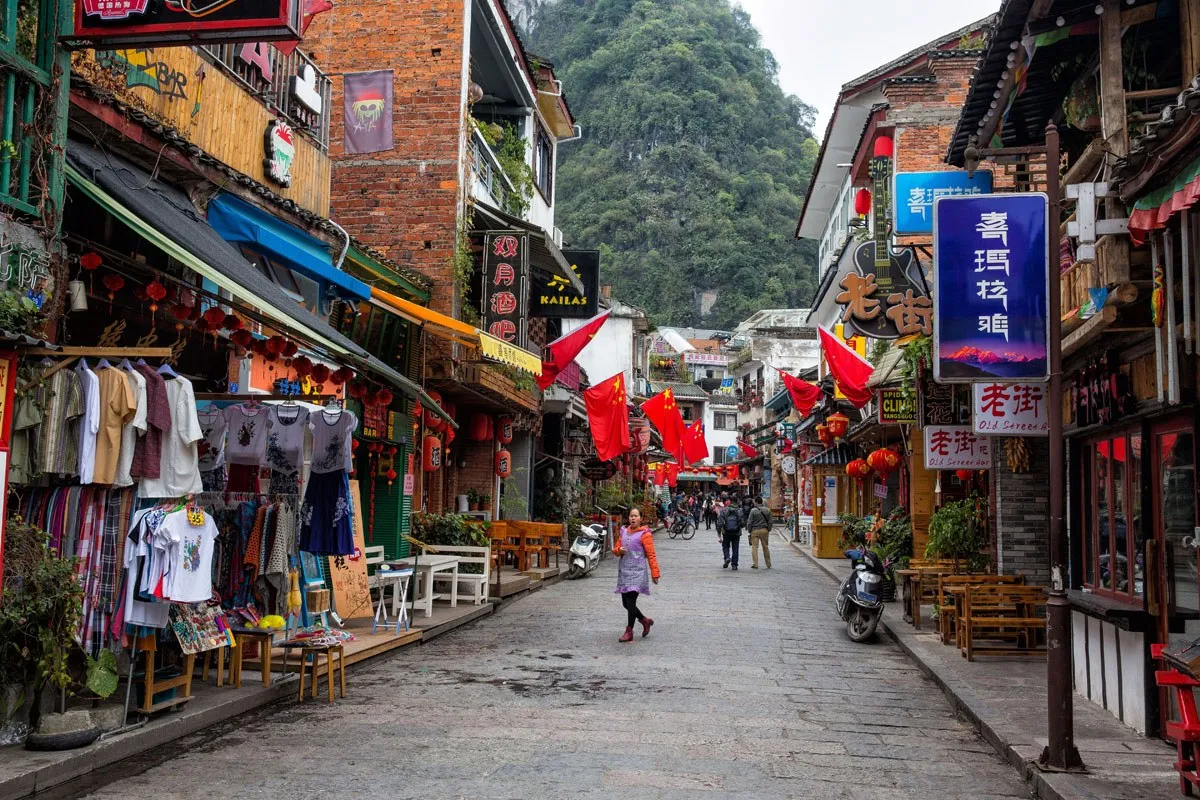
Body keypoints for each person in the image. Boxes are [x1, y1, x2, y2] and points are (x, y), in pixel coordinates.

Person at [613, 507, 660, 642]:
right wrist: (618, 550)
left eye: (636, 516)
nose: (633, 518)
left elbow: (651, 555)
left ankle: (629, 631)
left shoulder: (645, 534)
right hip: (624, 571)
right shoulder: (624, 532)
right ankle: (644, 620)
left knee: (631, 602)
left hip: (637, 572)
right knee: (625, 603)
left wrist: (655, 573)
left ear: (640, 518)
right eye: (631, 516)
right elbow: (615, 549)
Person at [746, 496, 773, 569]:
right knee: (765, 547)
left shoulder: (753, 511)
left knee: (754, 547)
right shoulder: (768, 510)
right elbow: (770, 522)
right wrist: (768, 529)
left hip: (755, 530)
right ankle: (768, 563)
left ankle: (755, 563)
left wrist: (749, 530)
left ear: (756, 502)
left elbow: (750, 522)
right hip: (764, 530)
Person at [717, 497, 743, 570]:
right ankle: (734, 565)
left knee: (725, 546)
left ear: (730, 501)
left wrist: (719, 534)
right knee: (735, 548)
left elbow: (720, 523)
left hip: (726, 532)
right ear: (737, 502)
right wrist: (739, 527)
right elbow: (743, 522)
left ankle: (727, 557)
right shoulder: (739, 511)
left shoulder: (724, 510)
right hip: (736, 532)